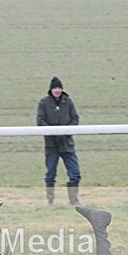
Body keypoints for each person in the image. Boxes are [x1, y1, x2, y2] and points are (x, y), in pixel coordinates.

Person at [37, 77, 81, 206]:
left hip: (67, 144)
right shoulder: (43, 103)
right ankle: (50, 201)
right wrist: (53, 132)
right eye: (55, 88)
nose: (57, 90)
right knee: (50, 174)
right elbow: (40, 121)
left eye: (59, 88)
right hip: (51, 145)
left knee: (75, 173)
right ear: (51, 90)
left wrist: (65, 132)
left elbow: (75, 118)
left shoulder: (68, 102)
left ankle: (74, 200)